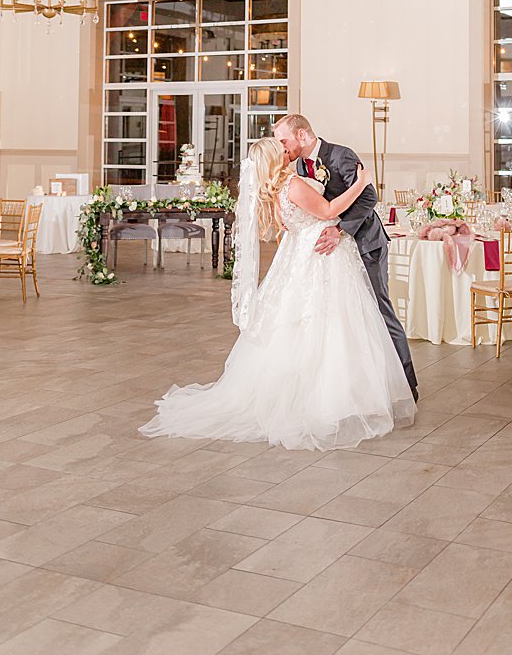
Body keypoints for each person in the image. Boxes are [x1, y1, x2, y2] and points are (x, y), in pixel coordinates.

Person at [140, 137, 415, 450]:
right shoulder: (293, 185)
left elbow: (290, 225)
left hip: (301, 253)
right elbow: (327, 211)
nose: (287, 150)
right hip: (320, 255)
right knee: (330, 324)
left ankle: (328, 396)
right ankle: (330, 402)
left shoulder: (274, 191)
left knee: (310, 325)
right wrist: (362, 182)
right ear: (274, 158)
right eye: (280, 149)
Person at [272, 113, 418, 401]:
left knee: (379, 310)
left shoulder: (340, 155)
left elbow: (367, 197)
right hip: (336, 254)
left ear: (302, 135)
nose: (281, 147)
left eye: (284, 140)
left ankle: (406, 383)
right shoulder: (300, 165)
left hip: (365, 242)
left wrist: (340, 229)